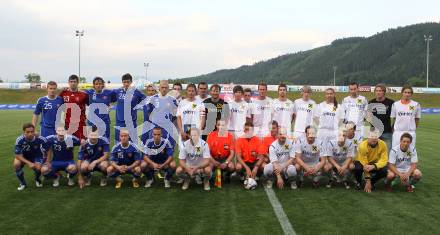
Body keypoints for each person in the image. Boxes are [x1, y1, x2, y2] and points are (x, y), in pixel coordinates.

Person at [141, 80, 178, 147]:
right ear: (159, 88)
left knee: (169, 147)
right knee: (152, 148)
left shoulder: (173, 100)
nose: (164, 89)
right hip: (155, 128)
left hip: (167, 128)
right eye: (162, 87)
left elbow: (175, 114)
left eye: (166, 87)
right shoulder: (152, 99)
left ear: (168, 88)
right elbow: (149, 113)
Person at [13, 123, 48, 190]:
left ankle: (37, 179)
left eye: (32, 132)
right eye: (28, 132)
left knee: (38, 167)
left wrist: (46, 160)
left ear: (34, 131)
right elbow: (17, 155)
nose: (30, 134)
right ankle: (23, 183)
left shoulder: (40, 139)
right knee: (16, 164)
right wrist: (29, 163)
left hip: (36, 156)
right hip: (23, 157)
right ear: (24, 132)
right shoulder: (19, 140)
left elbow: (48, 149)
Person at [113, 73, 146, 142]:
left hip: (131, 122)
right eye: (124, 82)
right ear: (122, 82)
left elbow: (146, 100)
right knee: (118, 142)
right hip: (119, 122)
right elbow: (108, 98)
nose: (126, 84)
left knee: (132, 143)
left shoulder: (136, 92)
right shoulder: (118, 92)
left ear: (131, 82)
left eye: (128, 82)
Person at [59, 75, 89, 139]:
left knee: (83, 143)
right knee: (68, 145)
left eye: (74, 81)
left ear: (77, 82)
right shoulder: (63, 93)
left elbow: (90, 104)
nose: (73, 83)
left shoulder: (83, 94)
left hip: (80, 123)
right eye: (71, 81)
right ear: (68, 82)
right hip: (67, 123)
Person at [206, 119, 235, 183]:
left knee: (231, 167)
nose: (221, 127)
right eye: (219, 125)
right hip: (213, 158)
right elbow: (207, 152)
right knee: (207, 169)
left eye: (222, 125)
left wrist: (226, 162)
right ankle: (210, 176)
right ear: (216, 126)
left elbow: (232, 153)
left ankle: (227, 175)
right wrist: (214, 162)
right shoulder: (211, 135)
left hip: (225, 159)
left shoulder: (230, 136)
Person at [368, 84, 394, 150]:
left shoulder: (391, 103)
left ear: (384, 92)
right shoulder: (371, 102)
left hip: (387, 132)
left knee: (387, 153)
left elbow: (395, 117)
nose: (378, 92)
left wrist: (393, 127)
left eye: (380, 91)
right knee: (374, 154)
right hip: (374, 133)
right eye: (376, 91)